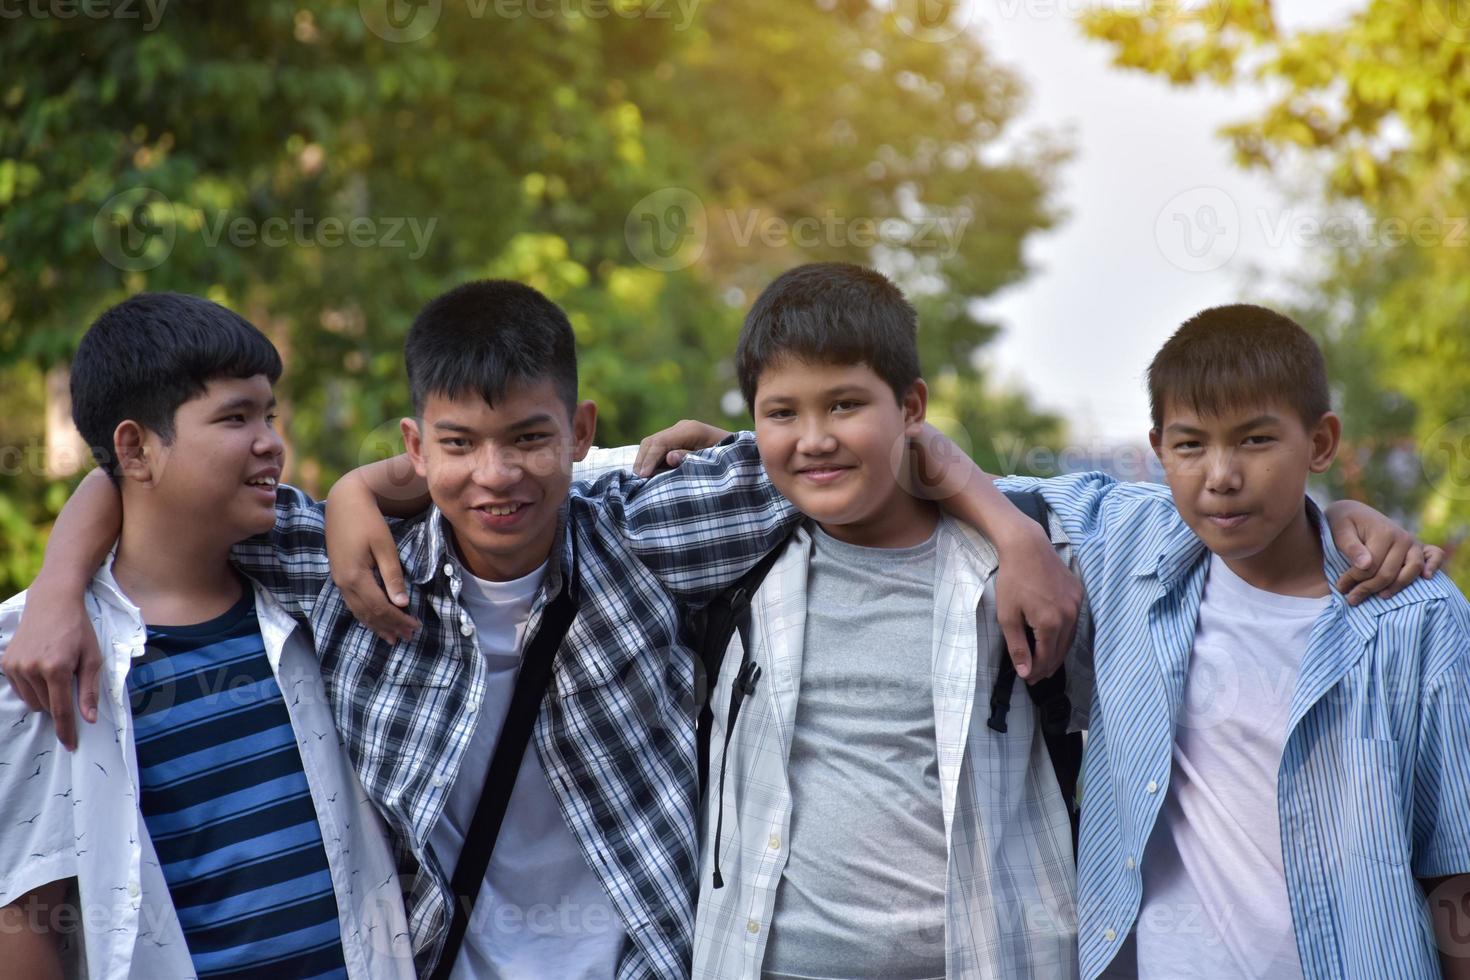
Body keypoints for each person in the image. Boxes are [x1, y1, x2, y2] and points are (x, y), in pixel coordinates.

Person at [5, 279, 1083, 978]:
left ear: (580, 432)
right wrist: (60, 580)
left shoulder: (646, 532)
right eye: (460, 445)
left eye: (529, 438)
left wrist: (1007, 527)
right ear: (414, 448)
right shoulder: (350, 565)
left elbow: (858, 440)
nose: (498, 475)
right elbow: (151, 481)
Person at [624, 265, 1439, 980]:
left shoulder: (1042, 562)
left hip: (992, 955)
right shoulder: (745, 554)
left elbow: (1197, 512)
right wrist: (731, 449)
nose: (815, 437)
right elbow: (541, 486)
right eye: (780, 415)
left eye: (844, 404)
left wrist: (1335, 517)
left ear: (912, 408)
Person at [995, 305, 1470, 979]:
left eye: (1254, 441)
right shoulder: (1127, 549)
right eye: (1191, 446)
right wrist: (1015, 537)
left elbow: (1456, 867)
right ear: (1158, 448)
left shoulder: (1416, 616)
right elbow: (928, 468)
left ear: (1321, 442)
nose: (1220, 475)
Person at [0, 293, 414, 979]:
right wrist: (58, 586)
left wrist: (357, 488)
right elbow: (25, 908)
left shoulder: (314, 594)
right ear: (136, 448)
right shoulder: (38, 656)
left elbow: (493, 481)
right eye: (235, 417)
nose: (270, 441)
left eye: (269, 414)